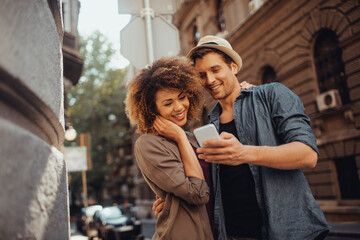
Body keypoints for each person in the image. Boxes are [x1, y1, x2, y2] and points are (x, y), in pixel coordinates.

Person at [154, 36, 331, 240]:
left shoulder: (272, 95)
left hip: (288, 232)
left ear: (234, 67)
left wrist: (243, 152)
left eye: (215, 70)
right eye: (202, 75)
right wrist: (173, 200)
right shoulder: (210, 125)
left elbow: (308, 155)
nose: (209, 80)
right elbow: (207, 185)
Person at [125, 56, 214, 240]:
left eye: (182, 97)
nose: (179, 107)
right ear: (152, 109)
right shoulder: (148, 144)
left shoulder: (192, 138)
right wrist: (181, 137)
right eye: (168, 103)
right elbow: (198, 194)